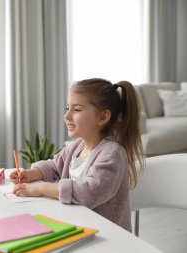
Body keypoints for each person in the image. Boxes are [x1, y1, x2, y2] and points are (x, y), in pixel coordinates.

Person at [10, 78, 145, 231]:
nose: (67, 116)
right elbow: (55, 166)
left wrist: (41, 188)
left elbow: (87, 192)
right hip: (77, 227)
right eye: (67, 108)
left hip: (106, 237)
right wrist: (30, 174)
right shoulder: (77, 146)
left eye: (77, 109)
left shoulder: (112, 155)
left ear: (102, 117)